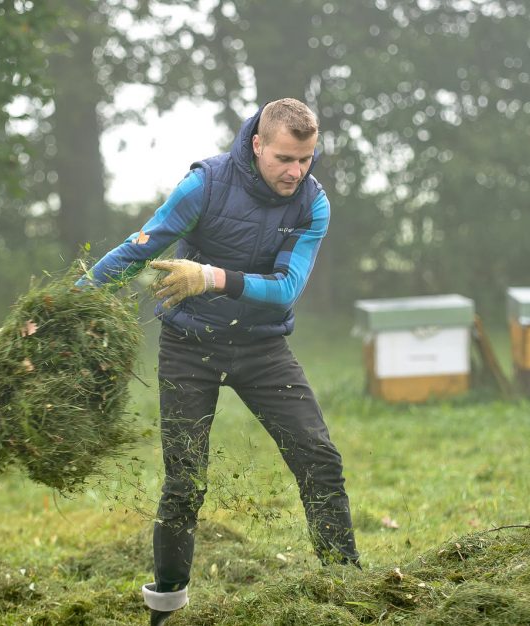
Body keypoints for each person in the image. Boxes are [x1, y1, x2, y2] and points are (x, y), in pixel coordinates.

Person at [77, 98, 359, 625]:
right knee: (185, 482)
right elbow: (138, 249)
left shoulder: (312, 204)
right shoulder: (204, 185)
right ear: (256, 144)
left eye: (306, 159)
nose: (296, 172)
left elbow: (286, 290)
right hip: (190, 348)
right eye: (284, 159)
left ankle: (348, 588)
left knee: (320, 458)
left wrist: (208, 277)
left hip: (263, 349)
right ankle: (166, 608)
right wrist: (68, 304)